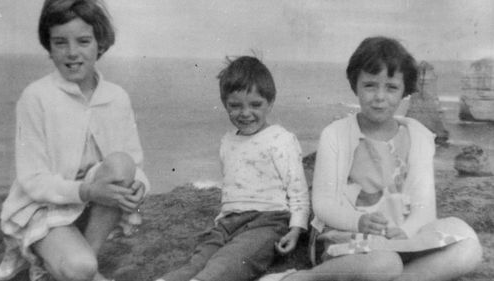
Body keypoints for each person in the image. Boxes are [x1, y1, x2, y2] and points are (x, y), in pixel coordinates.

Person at [271, 37, 483, 281]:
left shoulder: (418, 136)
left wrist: (404, 232)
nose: (380, 96)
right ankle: (305, 278)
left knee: (469, 246)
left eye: (391, 87)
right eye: (370, 85)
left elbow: (424, 208)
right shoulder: (336, 133)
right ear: (355, 86)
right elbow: (323, 204)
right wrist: (358, 221)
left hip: (403, 239)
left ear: (405, 91)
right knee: (385, 265)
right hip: (350, 241)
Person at [0, 1, 150, 281]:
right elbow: (33, 180)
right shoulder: (36, 97)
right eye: (60, 42)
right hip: (45, 208)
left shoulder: (117, 97)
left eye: (83, 41)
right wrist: (88, 191)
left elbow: (133, 163)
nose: (72, 52)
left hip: (96, 214)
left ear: (99, 43)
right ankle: (77, 268)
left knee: (121, 163)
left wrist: (139, 185)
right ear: (49, 47)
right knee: (82, 268)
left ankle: (76, 263)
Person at [154, 56, 310, 281]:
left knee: (227, 263)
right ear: (225, 103)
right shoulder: (227, 141)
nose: (245, 113)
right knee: (198, 260)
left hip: (267, 221)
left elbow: (297, 189)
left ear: (270, 102)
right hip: (227, 223)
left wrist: (296, 228)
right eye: (235, 106)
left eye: (255, 104)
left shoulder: (280, 139)